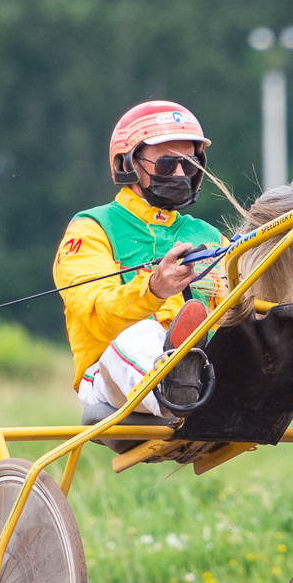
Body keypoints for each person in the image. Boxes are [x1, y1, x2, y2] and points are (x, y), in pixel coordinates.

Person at [54, 101, 226, 421]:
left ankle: (190, 380)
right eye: (166, 165)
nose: (179, 174)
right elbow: (98, 313)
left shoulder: (210, 235)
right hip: (111, 377)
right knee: (140, 333)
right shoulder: (91, 229)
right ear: (130, 164)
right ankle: (177, 386)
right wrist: (154, 289)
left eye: (189, 165)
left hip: (211, 373)